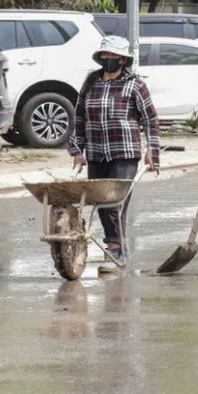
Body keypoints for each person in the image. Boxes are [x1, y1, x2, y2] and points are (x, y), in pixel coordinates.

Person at [67, 36, 160, 272]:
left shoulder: (135, 84)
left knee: (115, 202)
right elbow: (79, 117)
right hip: (96, 152)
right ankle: (116, 245)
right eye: (105, 55)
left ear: (123, 59)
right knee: (101, 200)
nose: (108, 59)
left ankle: (115, 248)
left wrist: (153, 151)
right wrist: (77, 150)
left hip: (125, 152)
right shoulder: (91, 83)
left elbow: (150, 119)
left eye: (113, 56)